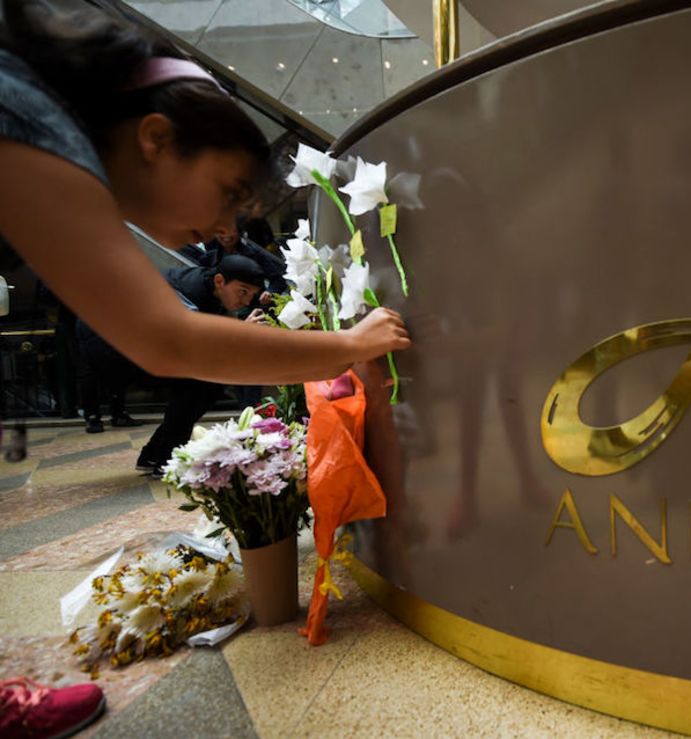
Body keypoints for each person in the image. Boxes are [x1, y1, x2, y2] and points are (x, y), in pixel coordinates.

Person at [0, 2, 409, 735]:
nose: (226, 231)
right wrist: (350, 343)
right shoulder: (30, 124)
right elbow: (171, 339)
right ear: (157, 138)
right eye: (227, 194)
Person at [136, 255, 268, 473]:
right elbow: (194, 336)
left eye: (250, 295)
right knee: (194, 388)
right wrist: (242, 330)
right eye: (242, 292)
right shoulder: (184, 291)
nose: (245, 301)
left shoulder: (211, 293)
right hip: (123, 352)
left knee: (207, 387)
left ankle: (155, 454)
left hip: (160, 351)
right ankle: (167, 458)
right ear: (219, 281)